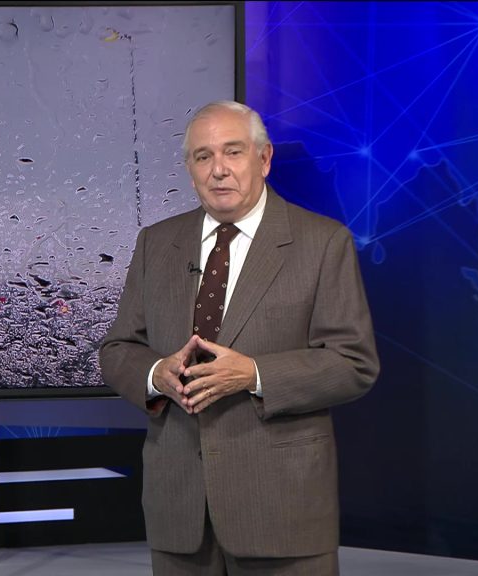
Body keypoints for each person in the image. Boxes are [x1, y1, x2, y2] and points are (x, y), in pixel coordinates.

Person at [99, 100, 380, 576]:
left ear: (264, 159)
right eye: (203, 156)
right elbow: (118, 349)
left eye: (233, 152)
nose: (219, 169)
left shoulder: (322, 242)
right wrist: (156, 373)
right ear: (190, 170)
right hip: (180, 511)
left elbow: (354, 363)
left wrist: (252, 374)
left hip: (283, 511)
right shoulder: (156, 243)